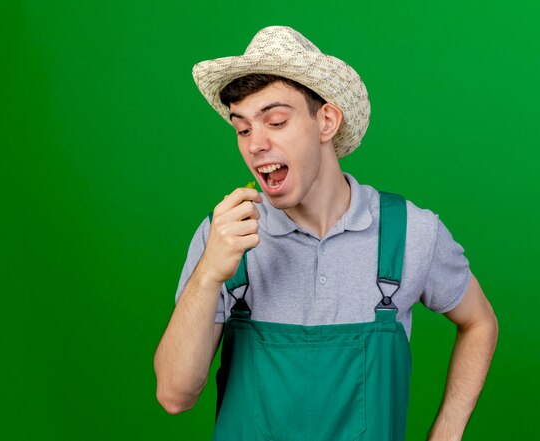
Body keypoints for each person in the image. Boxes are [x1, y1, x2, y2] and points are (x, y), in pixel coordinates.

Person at [154, 26, 498, 441]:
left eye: (276, 121)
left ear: (327, 121)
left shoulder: (409, 232)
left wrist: (447, 430)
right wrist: (209, 272)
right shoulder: (226, 234)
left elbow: (480, 322)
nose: (256, 144)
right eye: (242, 129)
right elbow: (174, 395)